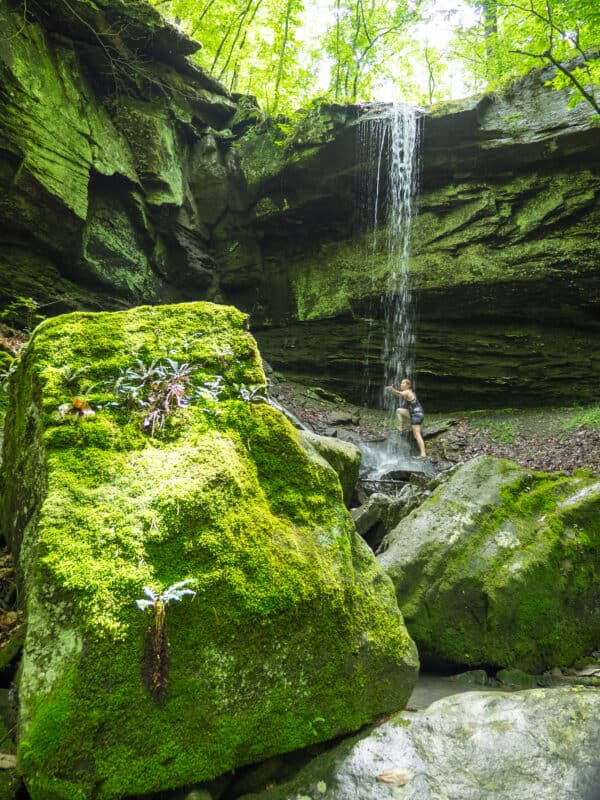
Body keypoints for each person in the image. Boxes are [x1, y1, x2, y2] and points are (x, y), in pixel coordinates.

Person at [385, 378, 426, 458]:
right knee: (399, 410)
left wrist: (392, 389)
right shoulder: (410, 392)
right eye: (401, 383)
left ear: (408, 385)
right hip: (416, 413)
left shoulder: (407, 392)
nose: (401, 384)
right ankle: (400, 428)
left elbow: (399, 394)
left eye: (403, 383)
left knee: (417, 435)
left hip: (416, 415)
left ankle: (423, 454)